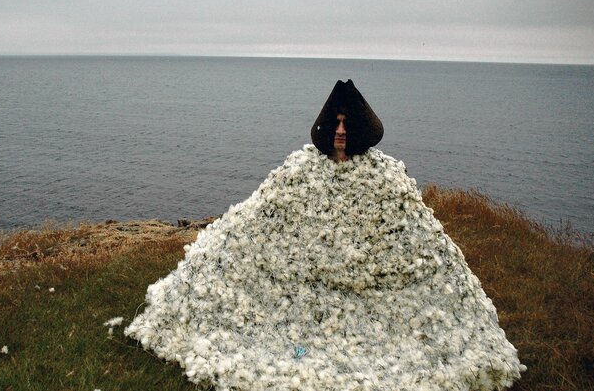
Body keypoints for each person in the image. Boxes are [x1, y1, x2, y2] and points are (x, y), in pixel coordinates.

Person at [125, 80, 524, 390]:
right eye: (335, 124)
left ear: (360, 131)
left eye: (347, 125)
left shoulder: (387, 182)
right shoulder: (299, 173)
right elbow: (263, 215)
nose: (339, 132)